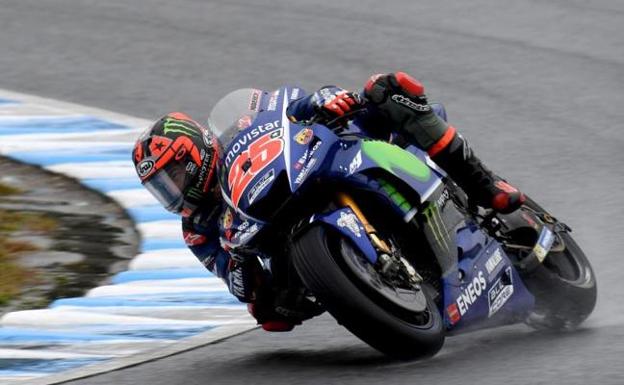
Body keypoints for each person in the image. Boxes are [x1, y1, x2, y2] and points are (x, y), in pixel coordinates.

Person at [131, 72, 525, 332]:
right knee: (269, 317)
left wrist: (326, 100)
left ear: (197, 150)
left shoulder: (241, 128)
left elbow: (289, 107)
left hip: (320, 160)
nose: (174, 190)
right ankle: (367, 285)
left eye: (175, 175)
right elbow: (236, 283)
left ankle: (484, 184)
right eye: (162, 187)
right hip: (280, 244)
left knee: (386, 90)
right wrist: (238, 266)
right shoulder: (197, 227)